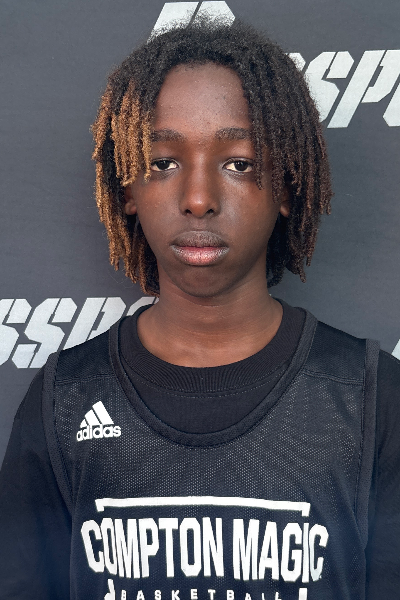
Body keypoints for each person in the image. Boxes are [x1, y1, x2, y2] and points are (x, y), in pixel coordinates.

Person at [0, 18, 399, 600]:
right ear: (128, 189)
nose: (198, 198)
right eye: (164, 162)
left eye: (238, 163)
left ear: (287, 187)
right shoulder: (64, 401)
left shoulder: (372, 400)